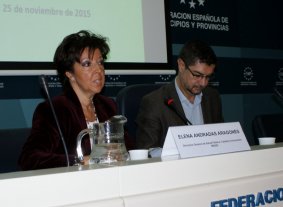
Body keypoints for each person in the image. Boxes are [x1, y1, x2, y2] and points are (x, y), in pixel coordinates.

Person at [18, 30, 132, 170]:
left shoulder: (108, 105)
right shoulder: (54, 110)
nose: (99, 70)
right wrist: (80, 160)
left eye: (100, 62)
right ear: (70, 74)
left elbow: (129, 150)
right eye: (87, 64)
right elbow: (30, 158)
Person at [135, 40, 224, 149]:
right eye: (197, 75)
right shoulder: (154, 103)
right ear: (181, 65)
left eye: (208, 77)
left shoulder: (212, 97)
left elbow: (220, 140)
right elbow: (147, 151)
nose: (203, 83)